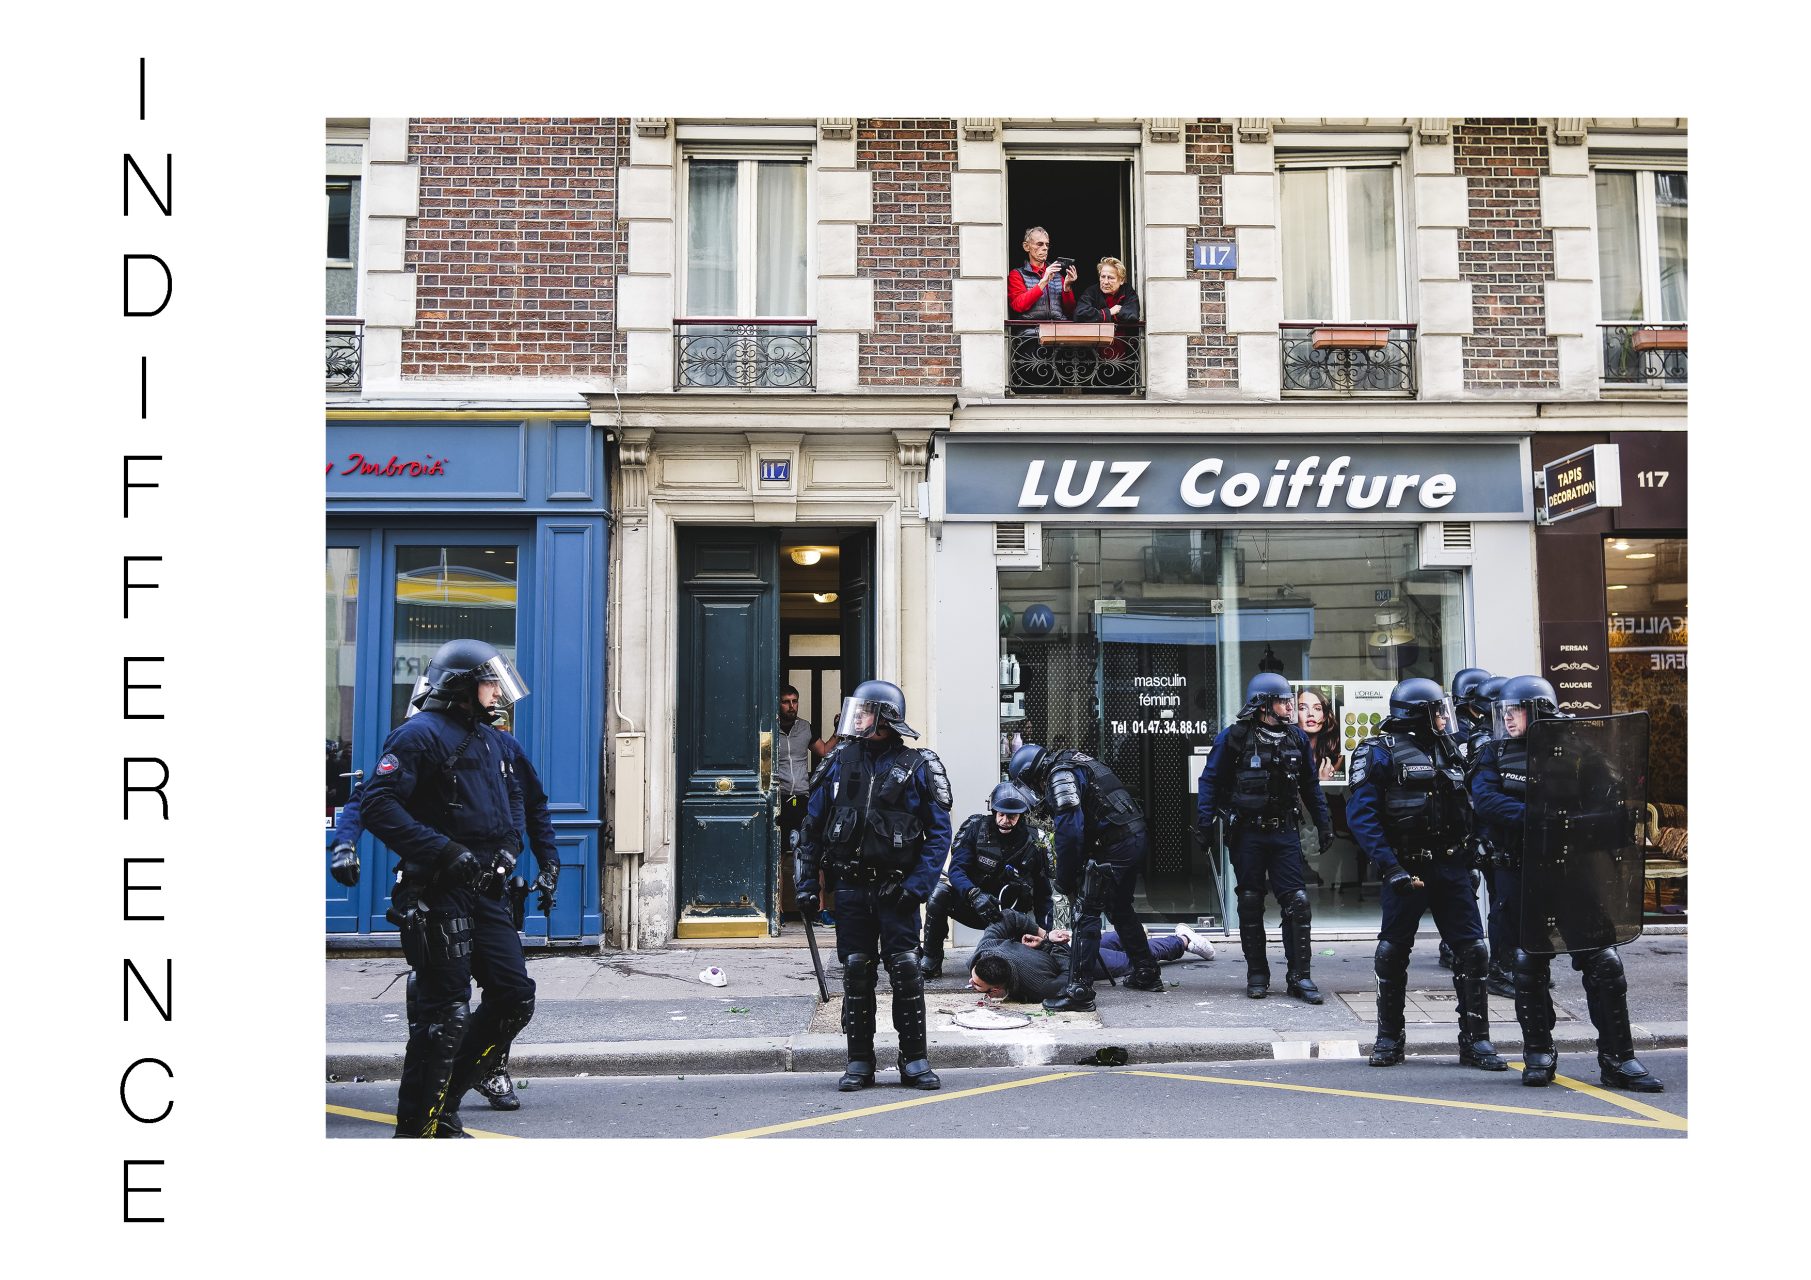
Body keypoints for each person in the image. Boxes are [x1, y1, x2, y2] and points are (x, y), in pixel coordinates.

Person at [357, 637, 536, 1137]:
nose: (497, 692)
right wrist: (444, 852)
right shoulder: (418, 735)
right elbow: (377, 805)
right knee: (445, 1015)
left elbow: (511, 803)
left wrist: (510, 847)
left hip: (486, 891)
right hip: (439, 891)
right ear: (459, 685)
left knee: (514, 997)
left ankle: (446, 1102)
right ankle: (420, 1129)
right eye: (489, 683)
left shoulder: (489, 739)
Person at [1470, 675, 1664, 1092]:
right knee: (1528, 963)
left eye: (1515, 711)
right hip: (1520, 873)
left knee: (1604, 962)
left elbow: (1611, 806)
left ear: (1537, 710)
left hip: (1573, 871)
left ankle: (1619, 1058)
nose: (1507, 719)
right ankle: (1538, 1054)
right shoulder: (1492, 753)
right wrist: (1540, 818)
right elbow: (1485, 801)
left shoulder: (1583, 751)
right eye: (1504, 712)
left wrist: (1571, 824)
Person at [795, 679, 953, 1092]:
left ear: (885, 718)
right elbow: (812, 827)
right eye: (859, 712)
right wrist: (807, 883)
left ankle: (914, 1059)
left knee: (906, 969)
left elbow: (939, 834)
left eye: (866, 712)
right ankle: (860, 1061)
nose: (859, 719)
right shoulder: (839, 760)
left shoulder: (919, 766)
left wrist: (918, 886)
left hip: (898, 890)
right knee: (856, 970)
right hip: (851, 888)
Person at [1346, 677, 1507, 1072]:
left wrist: (1478, 845)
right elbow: (1362, 818)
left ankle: (1476, 1041)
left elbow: (1473, 801)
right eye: (1438, 711)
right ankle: (1389, 1039)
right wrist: (1390, 867)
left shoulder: (1450, 748)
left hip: (1451, 866)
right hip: (1407, 867)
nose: (1444, 718)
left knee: (1473, 951)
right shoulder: (1378, 752)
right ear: (1418, 714)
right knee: (1392, 952)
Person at [1197, 673, 1334, 1003]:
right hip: (1247, 833)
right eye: (1283, 701)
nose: (1290, 707)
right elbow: (1210, 781)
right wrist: (1204, 824)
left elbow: (1310, 786)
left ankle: (1300, 977)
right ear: (1263, 705)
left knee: (1297, 902)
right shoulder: (1234, 738)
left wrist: (1324, 823)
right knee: (1250, 901)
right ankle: (1257, 974)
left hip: (1284, 832)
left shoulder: (1296, 738)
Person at [1008, 741, 1160, 1011]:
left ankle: (1079, 991)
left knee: (1086, 911)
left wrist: (1065, 880)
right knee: (1119, 907)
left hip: (1116, 844)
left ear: (1032, 773)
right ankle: (1146, 971)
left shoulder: (1059, 775)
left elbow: (1069, 834)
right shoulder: (1076, 761)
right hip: (1131, 838)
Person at [919, 781, 1051, 978]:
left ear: (1021, 815)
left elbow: (1043, 894)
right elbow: (957, 870)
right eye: (1001, 814)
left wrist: (1046, 936)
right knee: (939, 893)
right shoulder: (976, 829)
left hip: (1010, 917)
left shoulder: (1033, 842)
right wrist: (974, 894)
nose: (1005, 820)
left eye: (1012, 816)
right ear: (994, 811)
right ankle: (931, 958)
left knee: (1009, 970)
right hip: (975, 905)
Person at [966, 909, 1214, 1003]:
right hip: (1068, 951)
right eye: (975, 982)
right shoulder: (985, 953)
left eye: (976, 983)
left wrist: (1046, 937)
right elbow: (1008, 917)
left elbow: (1008, 917)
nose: (970, 981)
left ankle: (1183, 940)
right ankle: (1164, 938)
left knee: (1135, 959)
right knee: (1120, 944)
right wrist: (1047, 942)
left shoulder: (1036, 985)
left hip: (1072, 953)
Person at [776, 684, 833, 923]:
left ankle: (819, 910)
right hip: (778, 799)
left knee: (812, 854)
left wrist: (839, 730)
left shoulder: (805, 728)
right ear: (778, 704)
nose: (792, 706)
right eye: (786, 702)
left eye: (795, 701)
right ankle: (776, 912)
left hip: (802, 798)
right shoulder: (768, 729)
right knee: (777, 856)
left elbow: (825, 751)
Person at [1006, 226, 1076, 321]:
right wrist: (1043, 282)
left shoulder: (1058, 276)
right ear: (1026, 247)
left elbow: (1070, 311)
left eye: (1047, 245)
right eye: (1040, 244)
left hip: (1057, 328)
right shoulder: (1017, 274)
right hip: (1031, 329)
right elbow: (1018, 306)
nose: (1045, 248)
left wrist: (1067, 288)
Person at [1294, 685, 1344, 782]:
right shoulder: (1286, 750)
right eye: (1303, 708)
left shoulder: (1336, 753)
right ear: (1294, 714)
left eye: (1317, 708)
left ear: (1324, 716)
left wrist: (1326, 782)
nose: (1310, 713)